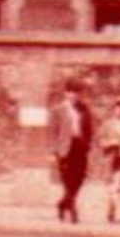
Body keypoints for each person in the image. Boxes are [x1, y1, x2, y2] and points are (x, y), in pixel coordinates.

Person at [49, 82, 95, 223]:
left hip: (80, 147)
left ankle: (63, 203)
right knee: (67, 178)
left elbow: (89, 128)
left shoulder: (84, 109)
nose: (74, 95)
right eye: (71, 92)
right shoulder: (58, 110)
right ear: (66, 93)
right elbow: (53, 132)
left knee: (80, 177)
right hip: (65, 148)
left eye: (77, 92)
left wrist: (89, 144)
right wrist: (52, 152)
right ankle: (72, 208)